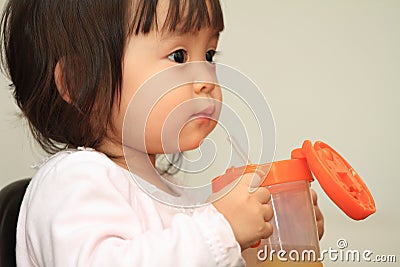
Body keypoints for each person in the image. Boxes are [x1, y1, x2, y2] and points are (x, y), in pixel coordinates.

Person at [1, 0, 324, 266]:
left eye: (209, 55)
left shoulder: (182, 199)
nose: (205, 79)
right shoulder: (75, 179)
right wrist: (221, 229)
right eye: (179, 56)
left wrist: (263, 238)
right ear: (79, 82)